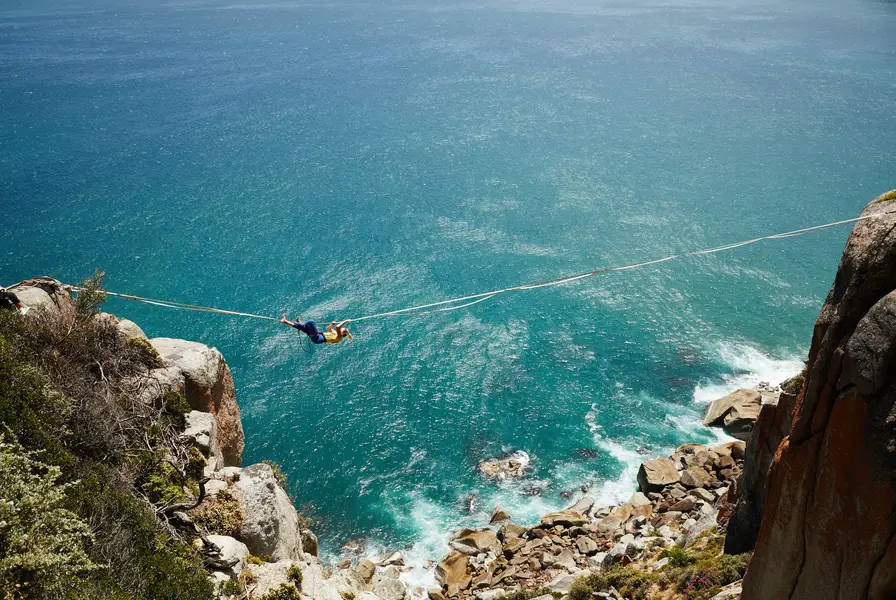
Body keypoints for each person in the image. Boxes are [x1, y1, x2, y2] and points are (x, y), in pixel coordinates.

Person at [281, 314, 353, 345]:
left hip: (317, 338)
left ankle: (301, 323)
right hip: (316, 337)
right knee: (302, 327)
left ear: (343, 333)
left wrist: (346, 320)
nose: (340, 330)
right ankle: (286, 321)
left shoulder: (339, 337)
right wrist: (332, 324)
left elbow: (338, 327)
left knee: (311, 322)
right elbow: (328, 329)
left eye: (342, 330)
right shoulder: (336, 334)